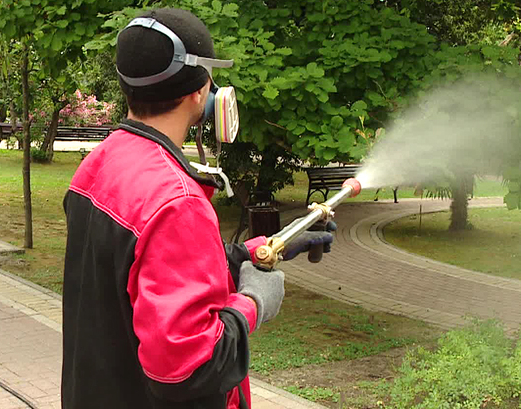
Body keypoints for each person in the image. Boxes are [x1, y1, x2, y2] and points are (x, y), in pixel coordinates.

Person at [61, 8, 333, 409]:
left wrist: (253, 251)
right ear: (199, 91)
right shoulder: (175, 200)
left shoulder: (99, 164)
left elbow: (135, 272)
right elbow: (187, 368)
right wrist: (253, 303)